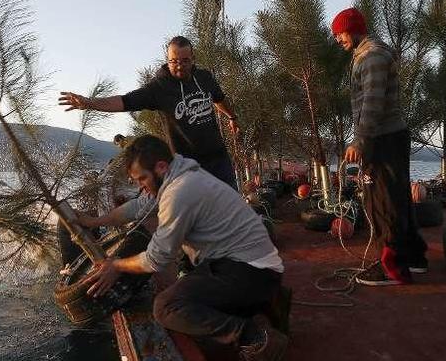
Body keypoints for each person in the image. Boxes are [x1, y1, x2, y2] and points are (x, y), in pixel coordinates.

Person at [79, 135, 287, 361]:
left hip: (251, 271)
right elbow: (138, 206)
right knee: (186, 276)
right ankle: (268, 304)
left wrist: (116, 265)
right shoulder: (179, 174)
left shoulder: (179, 191)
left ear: (160, 167)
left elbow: (156, 259)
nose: (141, 187)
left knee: (167, 307)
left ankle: (256, 339)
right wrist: (94, 223)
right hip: (249, 265)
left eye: (142, 179)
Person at [59, 36, 239, 189]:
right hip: (188, 167)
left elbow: (218, 98)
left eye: (185, 61)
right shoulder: (159, 88)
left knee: (232, 207)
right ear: (167, 59)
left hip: (218, 158)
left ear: (193, 58)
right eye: (174, 61)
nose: (179, 66)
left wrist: (231, 117)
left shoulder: (204, 78)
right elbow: (125, 101)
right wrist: (91, 103)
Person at [331, 7, 428, 286]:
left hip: (383, 138)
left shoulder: (371, 56)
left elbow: (372, 103)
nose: (338, 40)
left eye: (340, 33)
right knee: (398, 197)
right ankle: (413, 257)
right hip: (389, 136)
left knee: (384, 201)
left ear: (354, 29)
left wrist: (360, 140)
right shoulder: (368, 53)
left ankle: (392, 268)